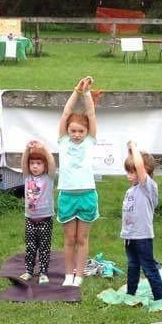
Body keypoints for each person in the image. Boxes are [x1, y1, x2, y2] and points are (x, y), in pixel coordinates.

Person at [57, 77, 99, 287]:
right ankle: (68, 274)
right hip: (67, 195)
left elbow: (91, 114)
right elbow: (66, 113)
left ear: (86, 132)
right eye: (72, 131)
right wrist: (76, 91)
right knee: (69, 239)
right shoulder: (63, 141)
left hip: (87, 195)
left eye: (80, 131)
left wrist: (87, 92)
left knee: (82, 239)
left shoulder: (90, 141)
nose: (75, 135)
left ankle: (80, 275)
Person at [121, 142, 162, 310]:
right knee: (133, 266)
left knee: (148, 268)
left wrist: (133, 146)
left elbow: (139, 165)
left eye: (132, 172)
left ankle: (159, 297)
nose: (129, 175)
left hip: (143, 237)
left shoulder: (147, 187)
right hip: (130, 236)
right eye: (128, 171)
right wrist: (131, 154)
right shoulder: (131, 190)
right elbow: (136, 163)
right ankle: (130, 293)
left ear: (144, 171)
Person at [20, 141, 55, 284]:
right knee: (30, 247)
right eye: (32, 163)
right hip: (30, 219)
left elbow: (52, 162)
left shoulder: (49, 177)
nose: (35, 166)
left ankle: (43, 273)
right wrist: (27, 148)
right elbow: (23, 162)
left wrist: (44, 148)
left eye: (39, 163)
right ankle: (29, 271)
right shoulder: (27, 177)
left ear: (44, 166)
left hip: (45, 219)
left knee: (44, 247)